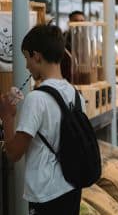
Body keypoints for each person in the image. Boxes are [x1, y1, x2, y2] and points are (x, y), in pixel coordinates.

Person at [0, 25, 84, 214]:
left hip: (46, 194)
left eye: (27, 58)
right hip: (71, 188)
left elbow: (13, 153)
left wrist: (6, 116)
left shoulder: (37, 99)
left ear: (37, 56)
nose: (27, 65)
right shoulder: (75, 94)